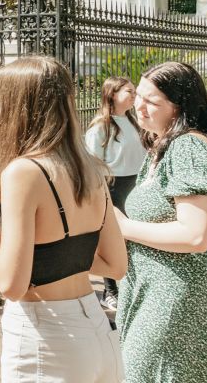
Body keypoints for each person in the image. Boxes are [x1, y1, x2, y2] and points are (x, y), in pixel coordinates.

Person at [0, 56, 127, 383]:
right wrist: (60, 254)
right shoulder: (90, 168)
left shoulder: (24, 172)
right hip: (97, 330)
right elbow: (115, 265)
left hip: (47, 336)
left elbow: (11, 286)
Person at [115, 61, 207, 383]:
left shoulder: (188, 147)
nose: (138, 106)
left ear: (179, 107)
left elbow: (196, 235)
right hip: (152, 293)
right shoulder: (162, 147)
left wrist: (124, 226)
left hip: (176, 301)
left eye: (152, 101)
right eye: (137, 95)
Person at [84, 76, 146, 311]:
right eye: (128, 91)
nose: (133, 95)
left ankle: (128, 285)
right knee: (112, 237)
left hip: (134, 183)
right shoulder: (101, 126)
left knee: (131, 238)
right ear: (112, 94)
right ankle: (109, 290)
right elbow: (92, 162)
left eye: (134, 91)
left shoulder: (135, 122)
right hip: (112, 185)